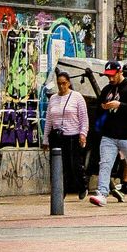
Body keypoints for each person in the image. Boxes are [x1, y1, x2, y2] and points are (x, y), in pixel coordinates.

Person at [89, 63, 127, 208]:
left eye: (113, 75)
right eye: (108, 75)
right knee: (105, 164)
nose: (111, 78)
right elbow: (99, 109)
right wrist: (103, 108)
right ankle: (102, 193)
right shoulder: (107, 89)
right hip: (109, 134)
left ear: (119, 72)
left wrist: (119, 105)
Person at [47, 67, 89, 201]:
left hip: (72, 135)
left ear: (69, 83)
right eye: (59, 83)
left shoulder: (77, 97)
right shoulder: (53, 98)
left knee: (74, 164)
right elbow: (49, 119)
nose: (61, 86)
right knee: (59, 165)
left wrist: (83, 134)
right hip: (57, 136)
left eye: (64, 83)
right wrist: (45, 140)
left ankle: (82, 186)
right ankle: (61, 191)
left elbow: (83, 117)